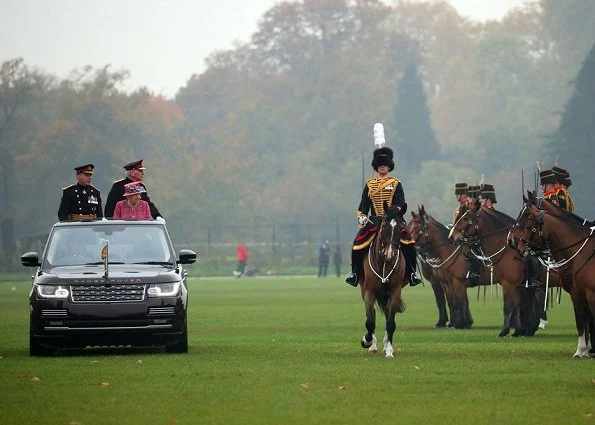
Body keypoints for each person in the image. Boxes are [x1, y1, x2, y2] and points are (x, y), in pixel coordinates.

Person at [345, 146, 421, 287]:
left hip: (392, 220)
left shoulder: (395, 183)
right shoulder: (370, 184)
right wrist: (361, 216)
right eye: (380, 165)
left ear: (389, 167)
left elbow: (400, 202)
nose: (382, 167)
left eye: (385, 165)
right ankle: (355, 274)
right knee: (357, 244)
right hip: (374, 222)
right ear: (376, 167)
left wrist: (393, 212)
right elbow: (364, 205)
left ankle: (412, 273)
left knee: (409, 243)